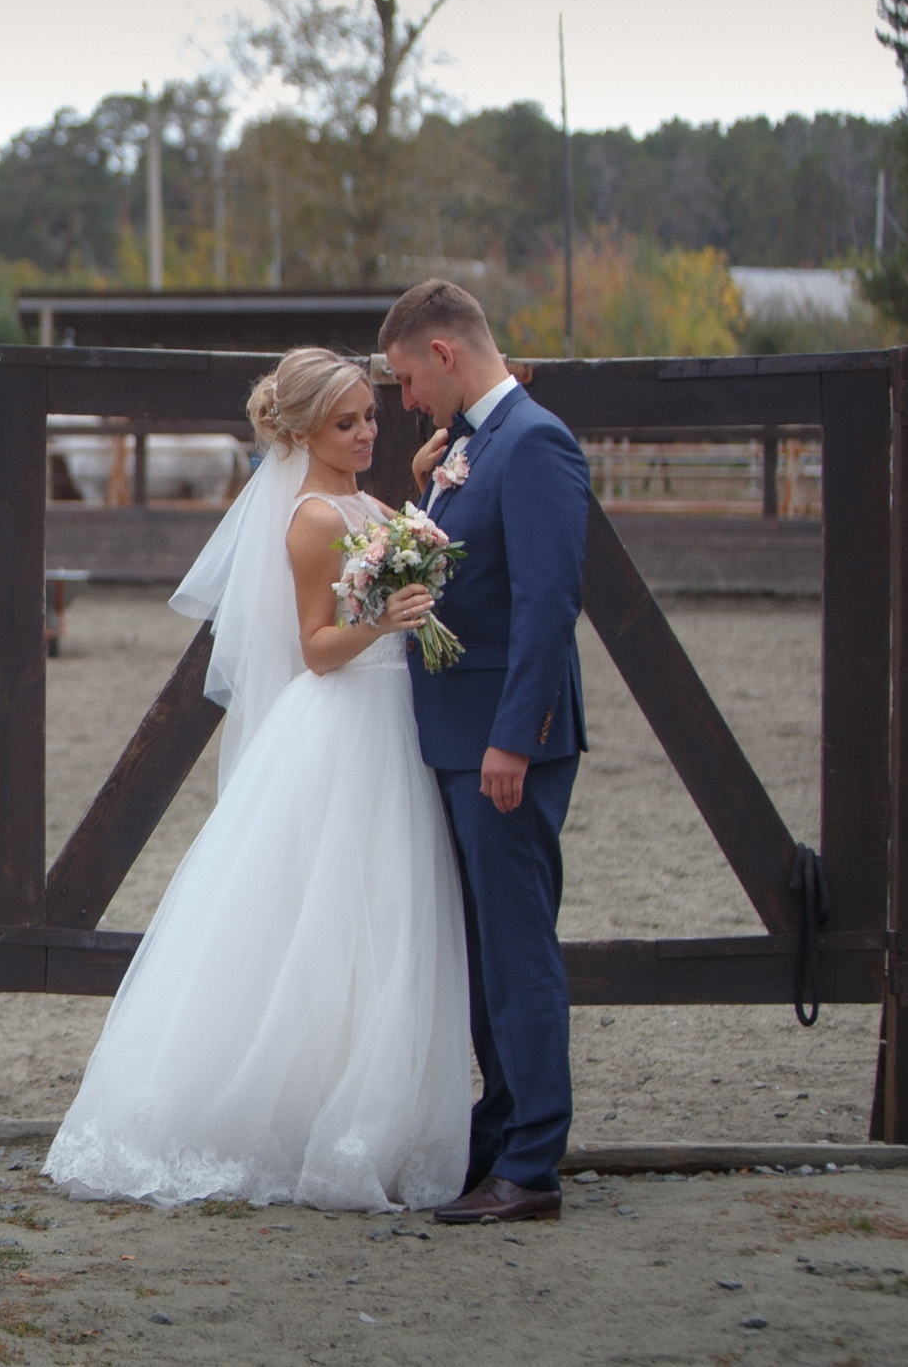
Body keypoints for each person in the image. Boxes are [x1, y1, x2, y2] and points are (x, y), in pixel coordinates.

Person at [43, 347, 471, 1213]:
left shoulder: (361, 498)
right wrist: (385, 619)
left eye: (371, 419)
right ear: (304, 430)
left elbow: (389, 543)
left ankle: (361, 1106)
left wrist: (419, 490)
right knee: (322, 910)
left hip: (388, 720)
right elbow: (316, 647)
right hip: (346, 717)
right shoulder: (312, 517)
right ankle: (293, 1112)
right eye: (346, 422)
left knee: (380, 909)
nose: (364, 434)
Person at [381, 280, 591, 1227]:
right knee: (482, 952)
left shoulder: (535, 442)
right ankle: (502, 1130)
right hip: (462, 738)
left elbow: (548, 601)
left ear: (446, 353)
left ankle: (534, 1163)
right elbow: (459, 566)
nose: (404, 398)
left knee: (516, 950)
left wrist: (515, 736)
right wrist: (424, 490)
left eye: (405, 377)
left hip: (505, 744)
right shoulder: (468, 448)